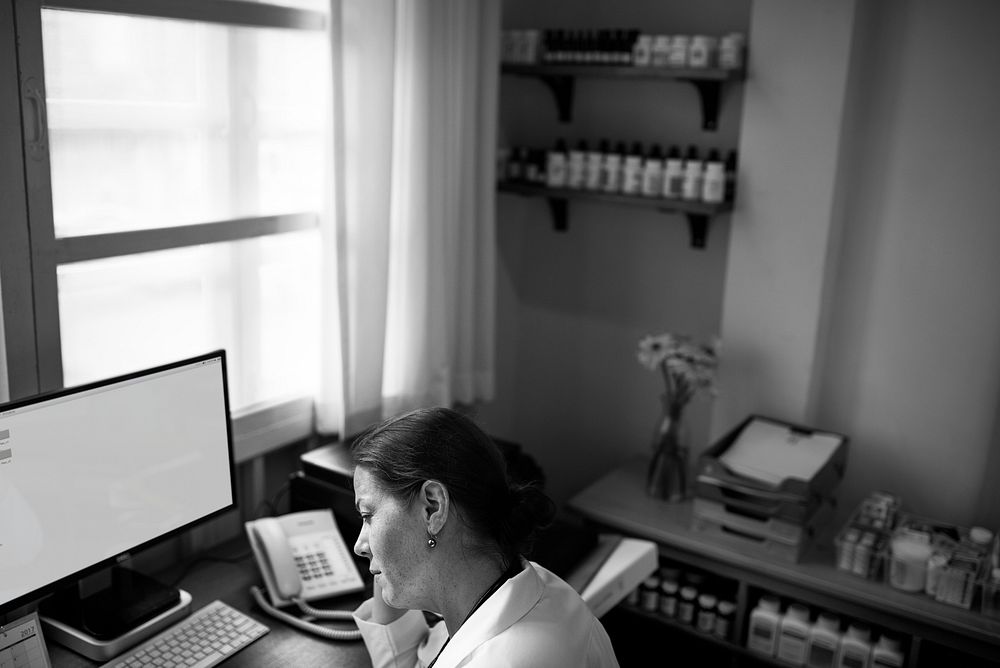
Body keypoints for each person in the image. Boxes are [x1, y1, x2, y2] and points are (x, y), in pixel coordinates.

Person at [350, 406, 620, 667]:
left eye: (367, 516)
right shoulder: (526, 590)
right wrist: (385, 562)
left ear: (433, 507)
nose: (359, 546)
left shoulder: (505, 658)